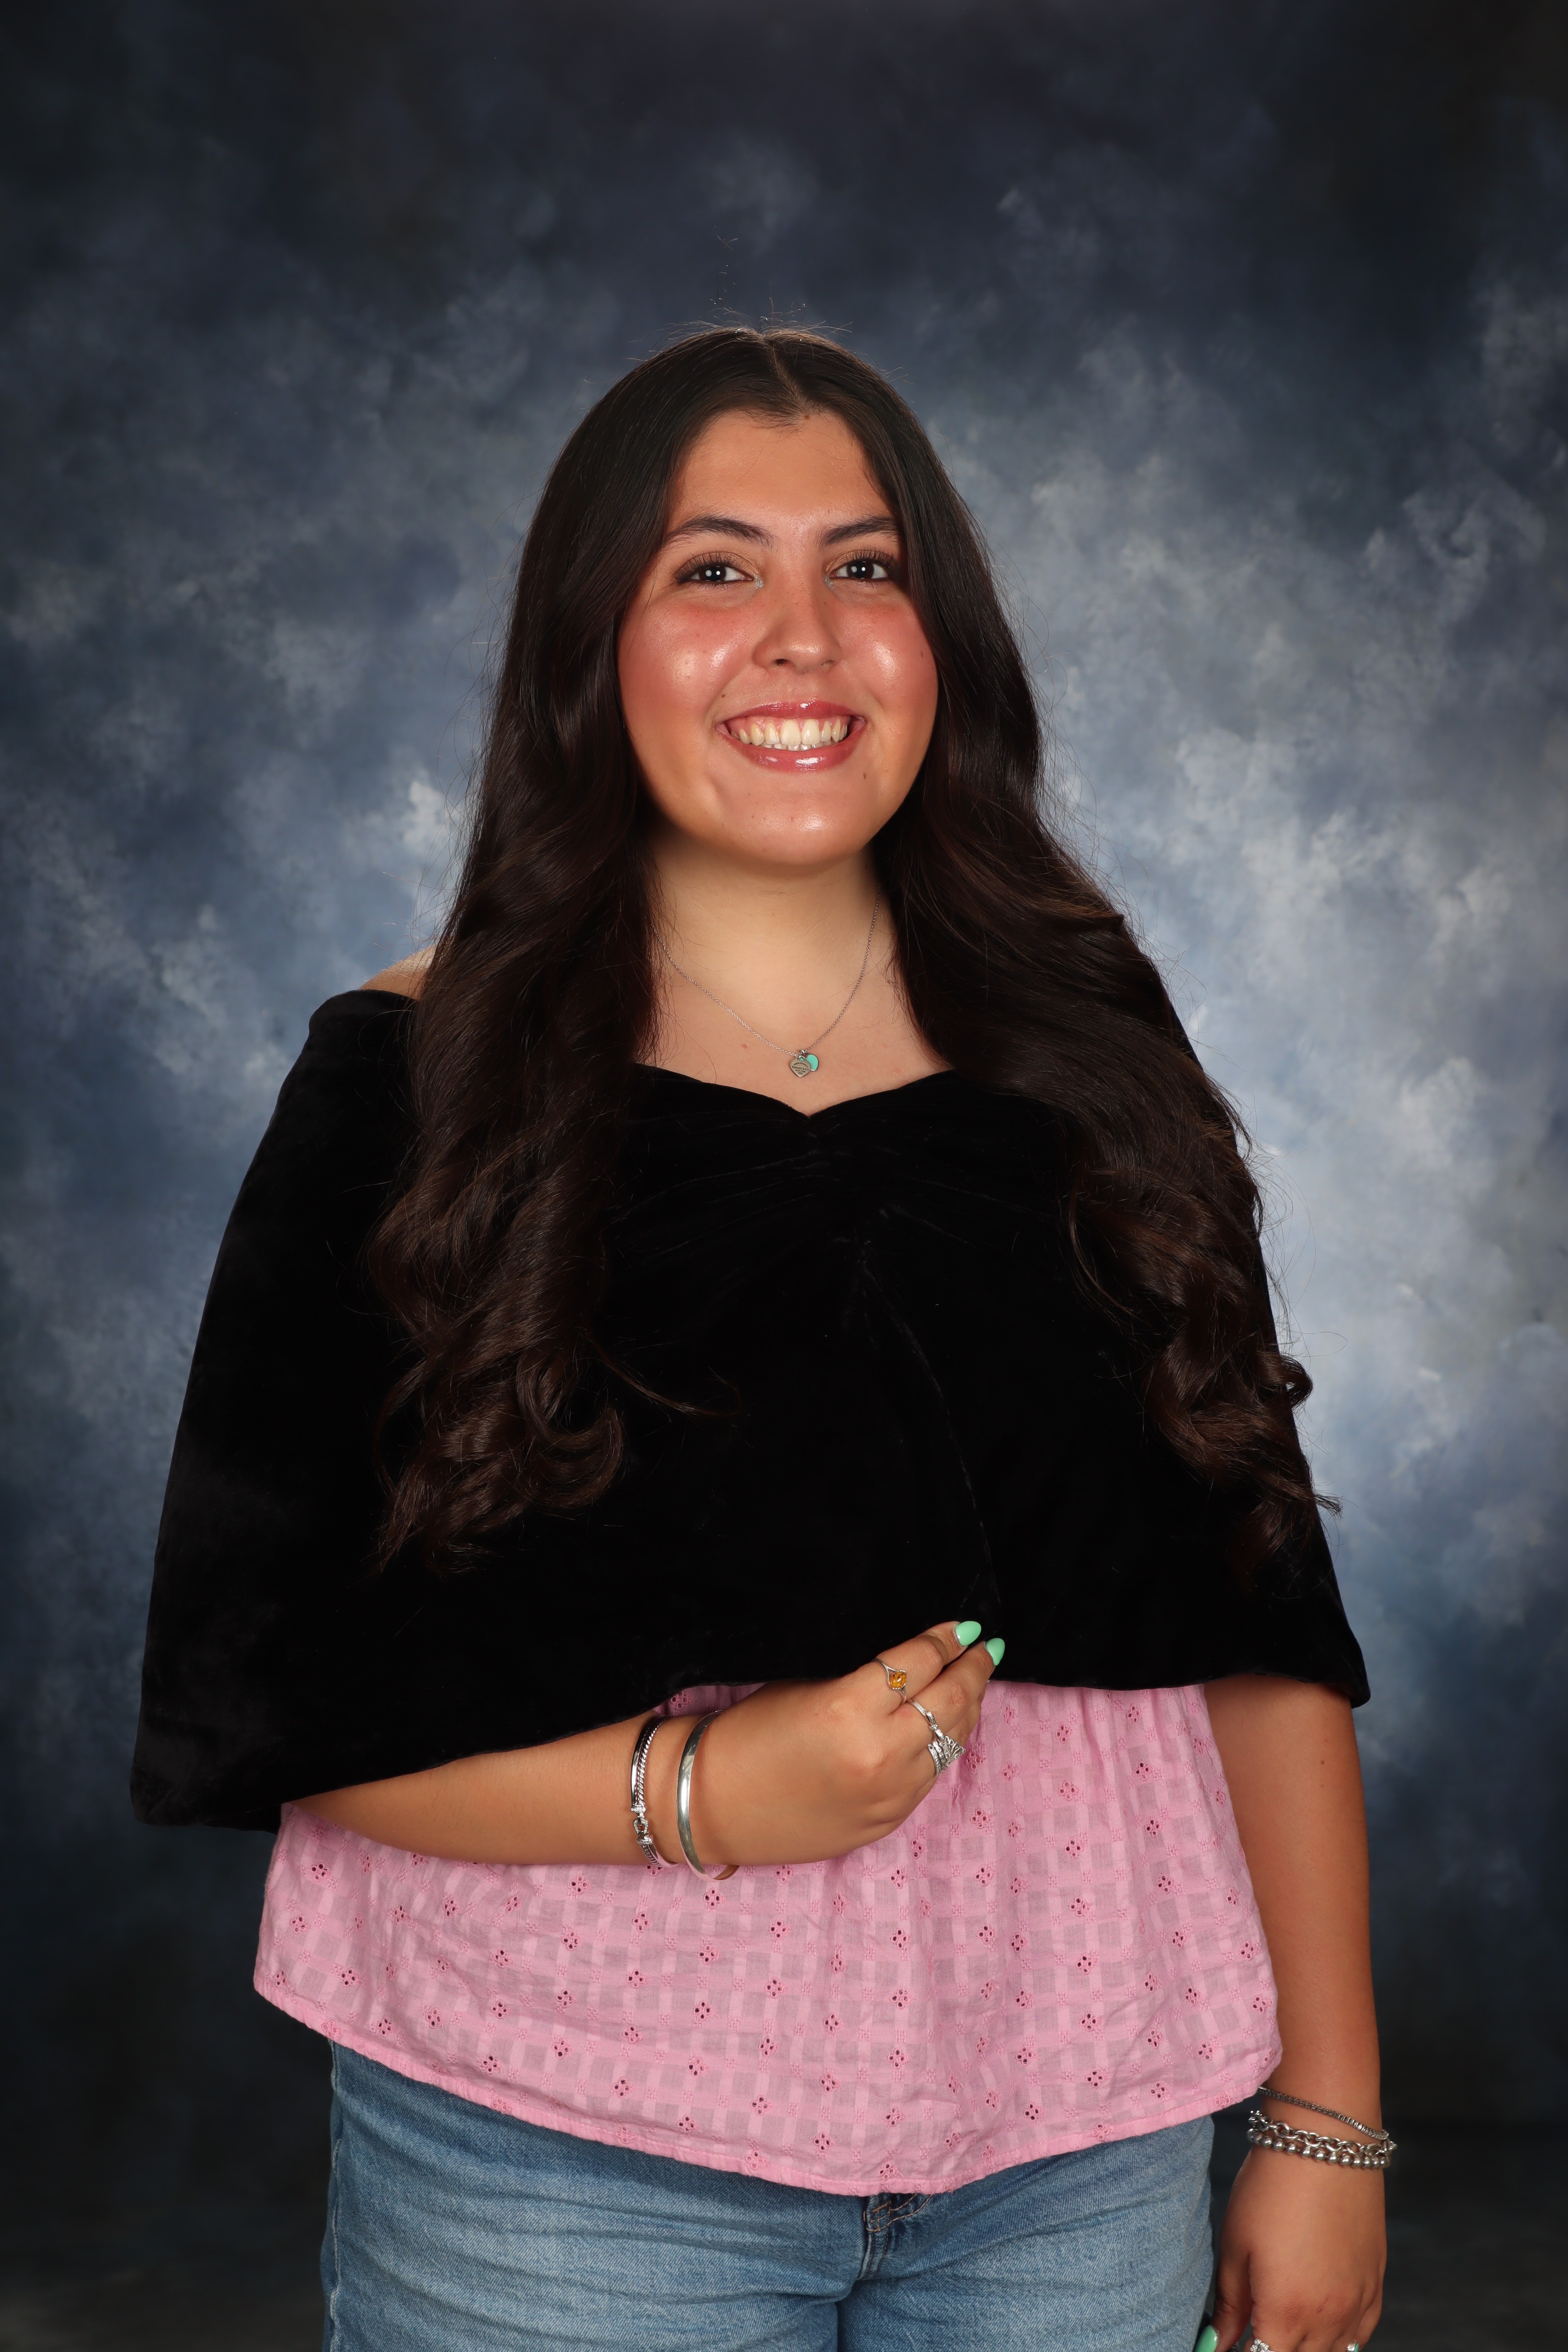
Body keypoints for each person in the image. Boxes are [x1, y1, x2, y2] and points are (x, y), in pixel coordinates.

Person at [132, 327, 1387, 2352]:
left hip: (1080, 2145)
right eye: (712, 568)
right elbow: (268, 1697)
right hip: (561, 2150)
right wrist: (702, 1793)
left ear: (941, 641)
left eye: (865, 567)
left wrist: (1325, 2116)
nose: (801, 636)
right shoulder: (411, 1081)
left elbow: (1252, 1599)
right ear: (588, 648)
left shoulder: (1088, 1042)